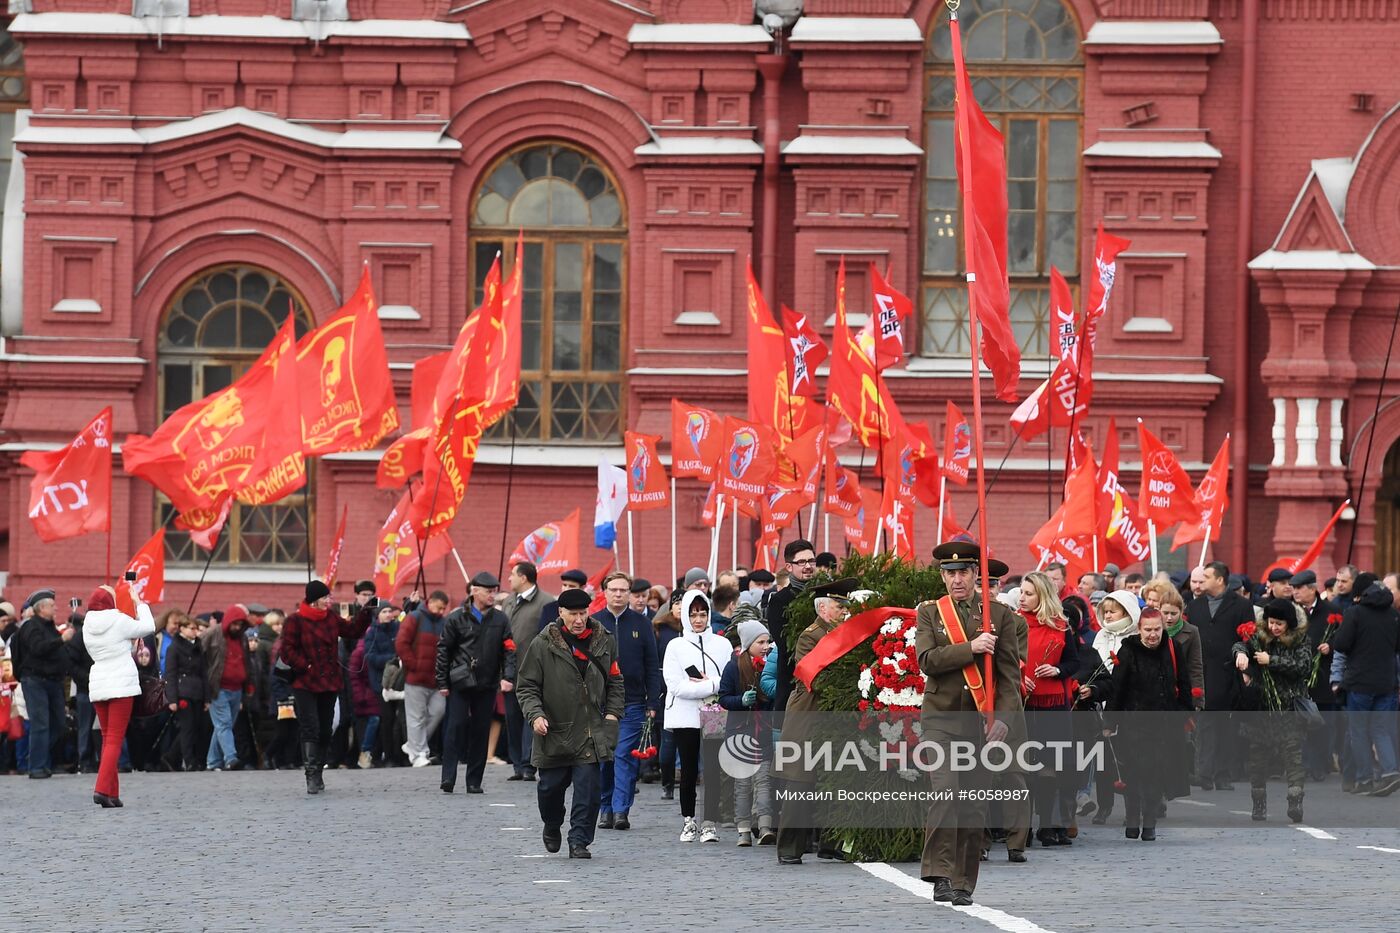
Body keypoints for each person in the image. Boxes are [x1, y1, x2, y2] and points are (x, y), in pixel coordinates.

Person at [917, 544, 1022, 906]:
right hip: (941, 719)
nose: (957, 579)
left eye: (964, 573)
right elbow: (927, 660)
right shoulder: (930, 613)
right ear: (943, 576)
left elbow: (1009, 676)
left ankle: (963, 882)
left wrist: (1005, 721)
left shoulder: (999, 615)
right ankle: (940, 874)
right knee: (945, 793)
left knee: (973, 804)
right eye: (950, 573)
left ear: (977, 576)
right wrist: (973, 647)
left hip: (981, 722)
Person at [514, 587, 624, 859]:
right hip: (554, 730)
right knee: (549, 788)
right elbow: (526, 686)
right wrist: (536, 715)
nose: (579, 619)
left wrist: (612, 715)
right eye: (573, 614)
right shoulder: (543, 644)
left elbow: (616, 681)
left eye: (583, 613)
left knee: (588, 791)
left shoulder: (605, 640)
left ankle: (579, 841)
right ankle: (552, 824)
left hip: (590, 731)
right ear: (560, 613)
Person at [1103, 608, 1191, 840]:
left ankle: (1150, 822)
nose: (1153, 635)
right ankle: (1132, 818)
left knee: (1156, 774)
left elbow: (1184, 683)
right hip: (1133, 724)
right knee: (1133, 773)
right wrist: (1109, 722)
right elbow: (1117, 688)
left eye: (1157, 629)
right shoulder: (1128, 651)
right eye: (1148, 630)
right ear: (1139, 629)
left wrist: (1183, 714)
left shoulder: (1173, 649)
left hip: (1164, 724)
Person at [279, 580, 371, 794]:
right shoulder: (295, 621)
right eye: (325, 597)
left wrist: (366, 612)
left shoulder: (330, 618)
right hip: (304, 682)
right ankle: (311, 774)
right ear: (314, 600)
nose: (330, 600)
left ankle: (319, 769)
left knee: (325, 729)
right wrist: (305, 665)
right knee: (310, 727)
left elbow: (353, 630)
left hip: (329, 682)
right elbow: (287, 650)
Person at [661, 590, 733, 844]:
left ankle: (710, 822)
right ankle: (688, 820)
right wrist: (710, 685)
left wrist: (710, 684)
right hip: (685, 716)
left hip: (714, 714)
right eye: (693, 615)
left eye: (703, 614)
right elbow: (677, 686)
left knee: (713, 770)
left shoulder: (722, 644)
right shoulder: (675, 646)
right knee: (689, 769)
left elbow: (727, 680)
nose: (699, 620)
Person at [1232, 599, 1313, 821]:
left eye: (1280, 623)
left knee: (1292, 757)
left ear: (1289, 624)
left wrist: (1272, 660)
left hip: (1289, 708)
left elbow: (1303, 667)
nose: (1275, 627)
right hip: (1262, 708)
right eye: (1271, 622)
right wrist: (1240, 654)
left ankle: (1295, 800)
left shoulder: (1300, 640)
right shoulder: (1260, 637)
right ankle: (1259, 803)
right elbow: (1240, 645)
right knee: (1257, 759)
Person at [592, 572, 662, 830]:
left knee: (624, 755)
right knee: (604, 756)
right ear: (605, 592)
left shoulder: (642, 624)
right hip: (600, 702)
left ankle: (621, 809)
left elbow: (652, 665)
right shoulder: (594, 623)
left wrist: (652, 703)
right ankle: (605, 807)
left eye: (624, 590)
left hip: (633, 702)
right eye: (614, 590)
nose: (619, 594)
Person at [435, 572, 515, 794]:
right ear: (474, 591)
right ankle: (448, 777)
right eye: (488, 591)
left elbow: (509, 650)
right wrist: (442, 681)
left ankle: (474, 781)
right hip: (460, 682)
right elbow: (443, 650)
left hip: (487, 683)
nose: (492, 595)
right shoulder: (456, 617)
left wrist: (508, 677)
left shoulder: (500, 619)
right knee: (456, 727)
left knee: (481, 731)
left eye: (494, 591)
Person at [1018, 571, 1079, 848]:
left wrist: (1056, 670)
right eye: (1022, 592)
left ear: (1042, 596)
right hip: (1023, 703)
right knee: (1024, 766)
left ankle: (1047, 825)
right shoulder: (1014, 623)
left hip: (1053, 704)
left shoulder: (1061, 626)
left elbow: (1074, 663)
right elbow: (1003, 661)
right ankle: (1022, 827)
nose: (1022, 597)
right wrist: (1020, 676)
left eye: (1029, 593)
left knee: (1050, 767)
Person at [82, 584, 156, 807]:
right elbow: (148, 626)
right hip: (121, 682)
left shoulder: (87, 624)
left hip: (98, 682)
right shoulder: (118, 620)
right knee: (115, 738)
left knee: (107, 739)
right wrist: (139, 603)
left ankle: (112, 794)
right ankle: (102, 789)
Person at [1186, 561, 1256, 790]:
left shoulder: (1241, 605)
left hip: (1228, 673)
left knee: (1226, 725)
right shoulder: (1194, 606)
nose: (1200, 581)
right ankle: (1204, 773)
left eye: (1206, 576)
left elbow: (1249, 638)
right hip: (1202, 672)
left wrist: (1246, 669)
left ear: (1219, 580)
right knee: (1205, 724)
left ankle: (1223, 774)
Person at [1331, 576, 1400, 797]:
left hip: (1359, 682)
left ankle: (1364, 779)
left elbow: (1340, 644)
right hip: (1387, 682)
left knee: (1358, 731)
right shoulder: (1394, 615)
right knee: (1381, 730)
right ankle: (1390, 772)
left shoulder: (1355, 613)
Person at [718, 618, 775, 846]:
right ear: (749, 643)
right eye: (760, 641)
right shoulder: (733, 666)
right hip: (740, 733)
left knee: (763, 781)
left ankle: (764, 826)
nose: (765, 646)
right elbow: (723, 697)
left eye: (767, 641)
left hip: (762, 731)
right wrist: (740, 701)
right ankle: (743, 829)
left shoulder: (768, 665)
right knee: (742, 784)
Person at [503, 561, 552, 782]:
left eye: (512, 574)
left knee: (530, 716)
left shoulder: (546, 602)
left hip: (533, 670)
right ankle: (517, 764)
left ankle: (529, 765)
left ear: (524, 578)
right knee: (512, 719)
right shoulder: (508, 601)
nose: (509, 579)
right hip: (508, 671)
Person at [396, 590, 450, 767]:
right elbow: (401, 642)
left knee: (437, 711)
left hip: (435, 679)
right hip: (416, 677)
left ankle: (414, 746)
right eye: (439, 607)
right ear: (431, 602)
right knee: (416, 716)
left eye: (444, 608)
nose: (442, 611)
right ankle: (419, 754)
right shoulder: (414, 617)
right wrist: (413, 665)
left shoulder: (443, 623)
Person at [199, 604, 252, 772]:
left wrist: (248, 684)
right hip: (218, 687)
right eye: (235, 624)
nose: (237, 628)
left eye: (240, 625)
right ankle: (231, 758)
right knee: (224, 724)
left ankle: (213, 761)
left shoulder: (242, 638)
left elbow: (247, 661)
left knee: (223, 726)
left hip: (236, 688)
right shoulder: (211, 634)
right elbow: (198, 657)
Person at [163, 614, 207, 772]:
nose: (195, 632)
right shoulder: (174, 647)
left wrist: (206, 697)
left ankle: (170, 757)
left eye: (196, 628)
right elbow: (170, 674)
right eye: (192, 628)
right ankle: (189, 761)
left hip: (197, 691)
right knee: (187, 727)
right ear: (182, 629)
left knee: (195, 727)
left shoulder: (198, 646)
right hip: (183, 692)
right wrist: (172, 699)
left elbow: (204, 672)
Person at [362, 599, 401, 767]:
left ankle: (400, 755)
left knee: (400, 720)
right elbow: (370, 657)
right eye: (384, 612)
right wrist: (391, 660)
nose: (387, 614)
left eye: (389, 611)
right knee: (387, 720)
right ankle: (389, 756)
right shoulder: (372, 632)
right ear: (378, 615)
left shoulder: (398, 628)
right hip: (381, 683)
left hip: (399, 681)